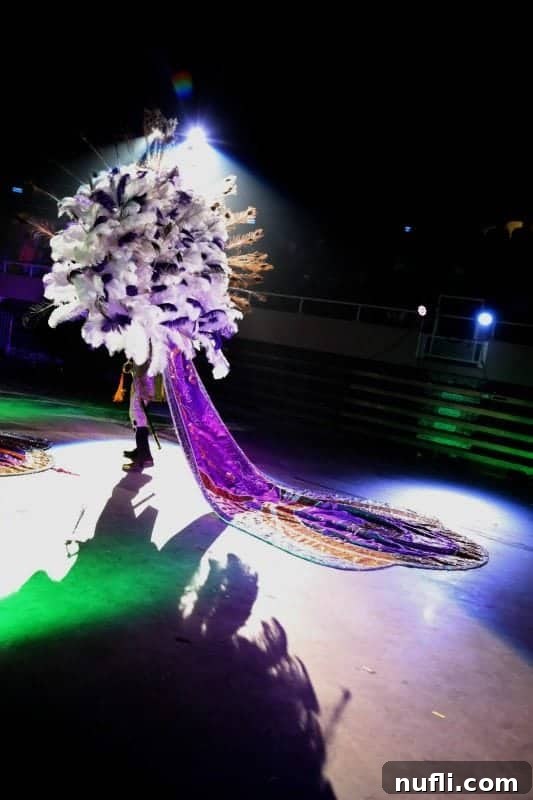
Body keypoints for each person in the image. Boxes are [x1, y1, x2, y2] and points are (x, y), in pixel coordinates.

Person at [122, 360, 156, 472]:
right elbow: (134, 365)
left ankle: (145, 458)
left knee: (140, 421)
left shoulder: (147, 351)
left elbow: (149, 371)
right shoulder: (138, 351)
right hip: (138, 387)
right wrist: (130, 366)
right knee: (135, 418)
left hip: (143, 389)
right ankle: (139, 451)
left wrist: (147, 393)